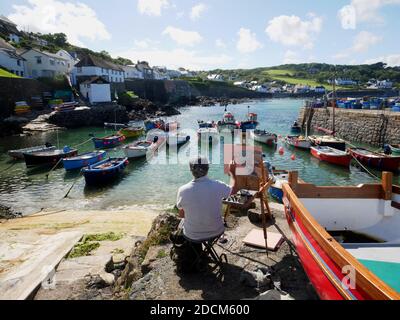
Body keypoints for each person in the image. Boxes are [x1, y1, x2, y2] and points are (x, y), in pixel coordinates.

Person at [176, 156, 238, 242]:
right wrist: (233, 173)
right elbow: (233, 190)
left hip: (192, 235)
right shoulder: (217, 185)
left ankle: (198, 254)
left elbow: (182, 215)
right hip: (217, 231)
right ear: (207, 169)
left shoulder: (183, 190)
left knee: (183, 221)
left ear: (191, 170)